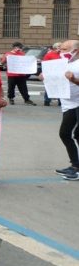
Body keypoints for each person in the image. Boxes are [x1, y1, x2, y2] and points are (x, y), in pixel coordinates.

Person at [55, 40, 79, 180]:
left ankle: (77, 169)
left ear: (75, 51)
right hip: (69, 104)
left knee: (78, 134)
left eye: (64, 49)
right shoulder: (62, 64)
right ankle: (75, 165)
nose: (61, 52)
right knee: (64, 133)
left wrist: (74, 80)